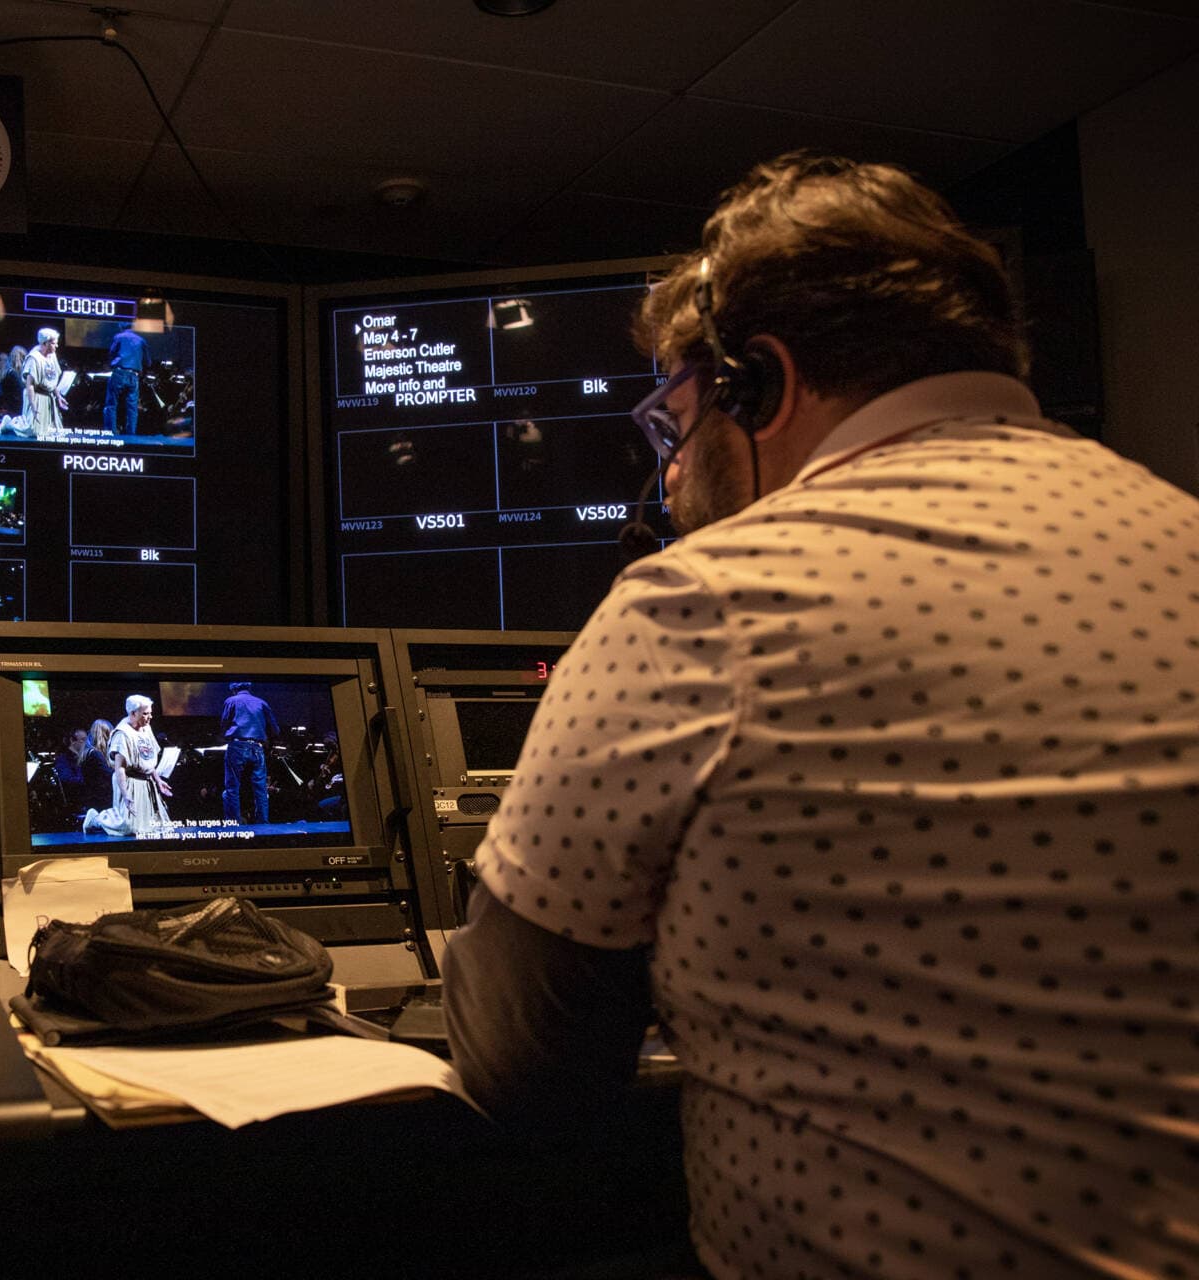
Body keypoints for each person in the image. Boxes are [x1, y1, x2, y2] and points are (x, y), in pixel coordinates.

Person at [443, 152, 1199, 1280]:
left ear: (761, 382)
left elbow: (520, 1062)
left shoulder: (709, 599)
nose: (674, 472)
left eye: (679, 417)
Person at [82, 695, 172, 837]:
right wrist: (125, 794)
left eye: (150, 713)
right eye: (146, 713)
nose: (150, 717)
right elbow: (120, 768)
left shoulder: (146, 728)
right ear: (133, 713)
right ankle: (96, 819)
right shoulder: (122, 734)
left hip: (146, 782)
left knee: (155, 827)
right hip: (129, 781)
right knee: (128, 827)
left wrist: (158, 781)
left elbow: (147, 759)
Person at [219, 681, 278, 824]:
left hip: (237, 746)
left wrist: (226, 735)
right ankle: (263, 823)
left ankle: (234, 823)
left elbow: (224, 724)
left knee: (232, 787)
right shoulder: (261, 702)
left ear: (233, 690)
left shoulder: (231, 701)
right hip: (258, 748)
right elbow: (275, 729)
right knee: (260, 789)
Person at [103, 324, 149, 435]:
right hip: (134, 376)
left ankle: (111, 432)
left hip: (119, 373)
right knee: (132, 407)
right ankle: (131, 434)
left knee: (111, 404)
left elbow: (111, 354)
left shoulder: (118, 337)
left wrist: (112, 363)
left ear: (121, 327)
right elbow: (148, 361)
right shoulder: (141, 340)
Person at [20, 328, 65, 438]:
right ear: (45, 343)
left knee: (53, 432)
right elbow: (29, 384)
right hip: (36, 396)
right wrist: (33, 405)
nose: (57, 346)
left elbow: (52, 379)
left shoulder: (52, 356)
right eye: (54, 343)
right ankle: (10, 424)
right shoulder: (34, 358)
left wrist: (58, 396)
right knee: (33, 431)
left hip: (48, 397)